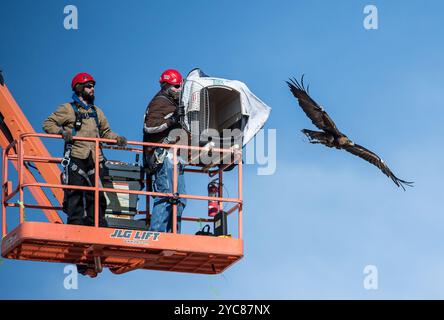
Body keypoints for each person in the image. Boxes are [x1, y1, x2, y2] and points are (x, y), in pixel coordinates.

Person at [43, 72, 127, 227]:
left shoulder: (97, 112)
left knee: (97, 195)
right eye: (89, 86)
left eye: (93, 86)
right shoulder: (68, 109)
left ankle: (97, 224)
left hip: (95, 158)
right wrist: (62, 132)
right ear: (79, 88)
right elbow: (48, 123)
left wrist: (117, 138)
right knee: (75, 194)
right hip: (76, 157)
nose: (92, 89)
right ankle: (76, 226)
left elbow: (106, 132)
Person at [143, 69, 187, 233]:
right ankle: (158, 235)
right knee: (167, 196)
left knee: (180, 199)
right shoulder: (160, 102)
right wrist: (172, 120)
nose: (179, 89)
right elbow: (149, 127)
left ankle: (173, 235)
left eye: (180, 86)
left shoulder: (173, 104)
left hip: (175, 157)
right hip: (164, 156)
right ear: (166, 85)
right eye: (176, 86)